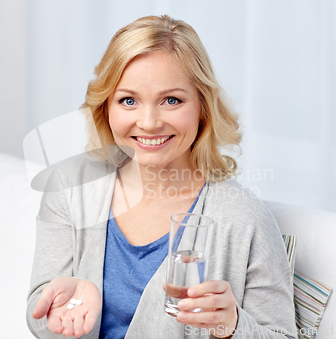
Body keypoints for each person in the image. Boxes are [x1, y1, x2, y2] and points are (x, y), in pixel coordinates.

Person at [26, 15, 297, 339]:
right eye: (128, 100)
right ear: (106, 108)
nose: (150, 122)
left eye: (172, 100)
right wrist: (59, 310)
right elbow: (39, 315)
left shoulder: (244, 219)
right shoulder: (70, 186)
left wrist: (232, 326)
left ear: (202, 107)